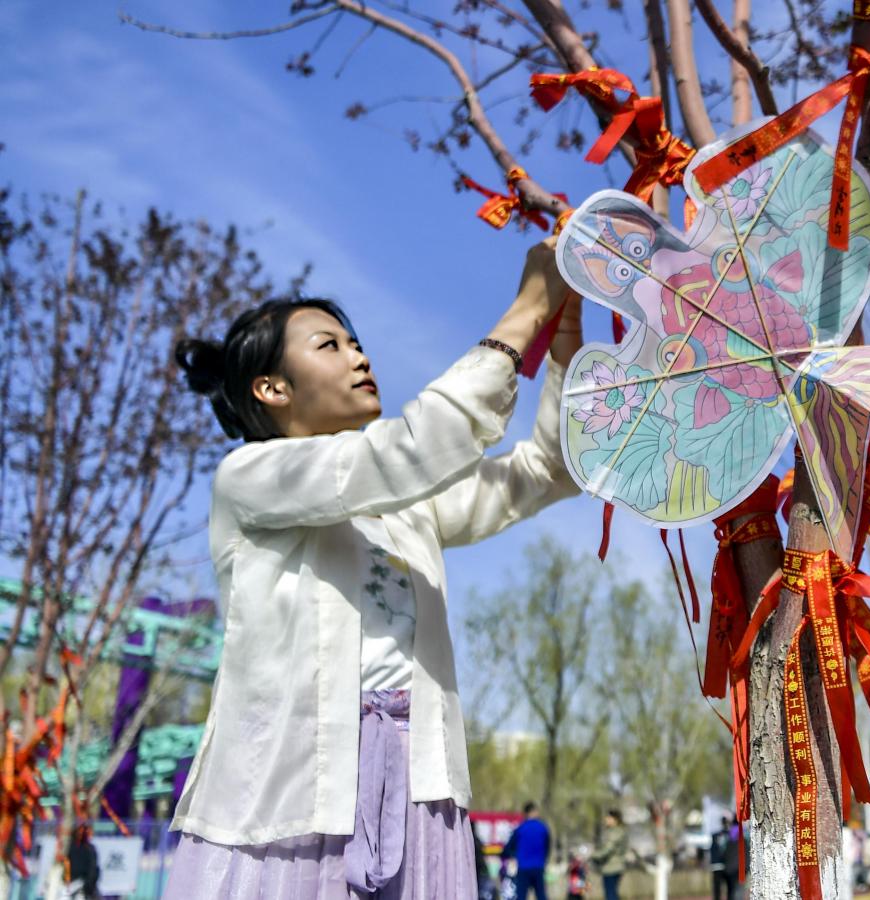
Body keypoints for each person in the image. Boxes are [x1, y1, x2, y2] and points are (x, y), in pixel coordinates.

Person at [162, 240, 583, 899]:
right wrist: (528, 307)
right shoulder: (249, 477)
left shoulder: (405, 505)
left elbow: (544, 472)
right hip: (295, 782)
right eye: (329, 345)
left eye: (355, 342)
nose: (359, 355)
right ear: (271, 388)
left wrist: (561, 351)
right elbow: (408, 451)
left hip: (419, 778)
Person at [504, 803, 554, 900]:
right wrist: (544, 860)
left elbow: (508, 848)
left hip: (523, 867)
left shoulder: (520, 829)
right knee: (541, 895)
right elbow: (548, 847)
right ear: (532, 812)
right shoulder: (543, 828)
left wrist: (514, 856)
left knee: (521, 896)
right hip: (538, 867)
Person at [591, 809, 628, 900]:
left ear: (615, 819)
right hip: (613, 867)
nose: (606, 819)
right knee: (611, 893)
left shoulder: (616, 832)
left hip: (612, 867)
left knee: (610, 894)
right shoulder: (617, 831)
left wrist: (594, 855)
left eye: (608, 817)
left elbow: (608, 849)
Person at [66, 823, 100, 900]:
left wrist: (89, 884)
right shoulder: (71, 848)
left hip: (85, 884)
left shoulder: (90, 848)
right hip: (74, 883)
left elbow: (93, 868)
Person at [709, 817, 735, 900]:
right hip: (727, 865)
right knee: (730, 888)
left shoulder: (715, 835)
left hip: (717, 865)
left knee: (717, 889)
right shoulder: (730, 835)